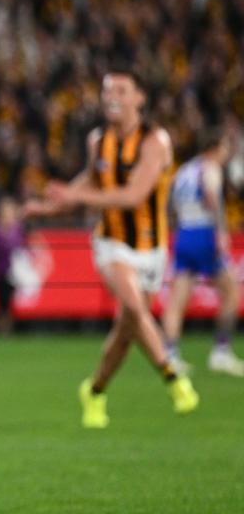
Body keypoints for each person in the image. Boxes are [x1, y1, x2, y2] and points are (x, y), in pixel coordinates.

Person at [26, 69, 198, 428]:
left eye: (121, 90)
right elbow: (91, 179)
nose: (112, 97)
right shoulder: (97, 140)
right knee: (134, 306)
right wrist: (52, 207)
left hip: (151, 246)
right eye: (107, 91)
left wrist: (74, 196)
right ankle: (172, 375)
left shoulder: (155, 142)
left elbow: (134, 196)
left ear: (140, 98)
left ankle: (96, 389)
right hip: (111, 241)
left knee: (127, 329)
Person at [163, 128, 243, 376]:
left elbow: (170, 205)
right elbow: (211, 197)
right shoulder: (210, 168)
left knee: (177, 299)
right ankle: (221, 350)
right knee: (231, 292)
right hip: (204, 234)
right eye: (225, 148)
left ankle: (170, 355)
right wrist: (220, 232)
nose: (227, 153)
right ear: (215, 147)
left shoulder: (185, 170)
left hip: (184, 234)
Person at [0, 196, 37, 337]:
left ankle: (7, 330)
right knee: (0, 304)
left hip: (13, 272)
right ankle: (1, 330)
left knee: (8, 303)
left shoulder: (18, 229)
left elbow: (20, 248)